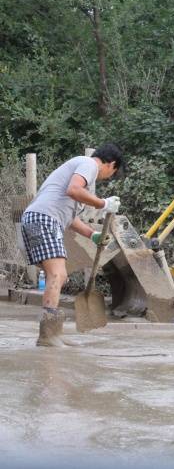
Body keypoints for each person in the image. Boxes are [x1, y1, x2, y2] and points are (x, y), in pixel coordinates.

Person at [20, 144, 124, 347]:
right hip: (44, 219)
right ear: (111, 164)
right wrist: (102, 204)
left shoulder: (78, 173)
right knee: (57, 274)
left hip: (39, 219)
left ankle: (52, 332)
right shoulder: (88, 164)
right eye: (112, 173)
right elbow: (73, 189)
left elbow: (70, 218)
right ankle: (48, 336)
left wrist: (92, 235)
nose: (109, 177)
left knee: (59, 274)